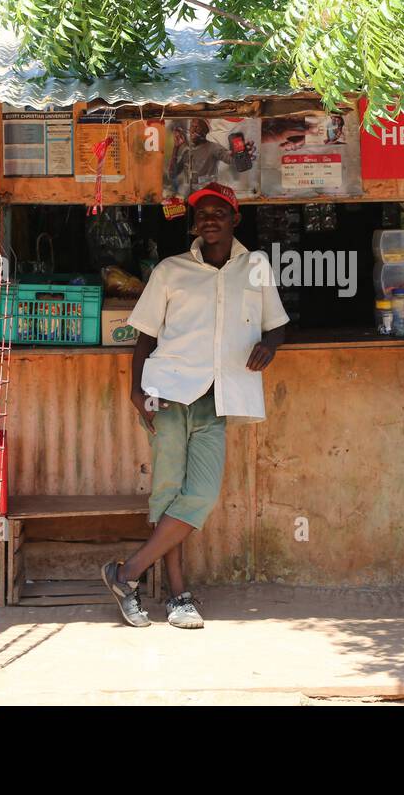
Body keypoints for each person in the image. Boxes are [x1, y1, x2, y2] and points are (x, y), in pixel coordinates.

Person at [103, 182, 288, 629]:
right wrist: (135, 389)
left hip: (218, 397)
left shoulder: (256, 266)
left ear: (234, 219)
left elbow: (277, 324)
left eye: (219, 213)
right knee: (168, 493)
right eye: (202, 214)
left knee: (200, 494)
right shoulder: (171, 270)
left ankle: (126, 573)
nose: (210, 220)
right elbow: (145, 334)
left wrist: (270, 346)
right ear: (195, 223)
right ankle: (177, 597)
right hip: (166, 391)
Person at [167, 118, 233, 197]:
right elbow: (172, 174)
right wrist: (176, 147)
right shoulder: (187, 151)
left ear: (205, 132)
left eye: (197, 127)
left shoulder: (213, 147)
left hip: (207, 197)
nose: (193, 130)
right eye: (192, 126)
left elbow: (230, 159)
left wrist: (239, 152)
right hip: (189, 198)